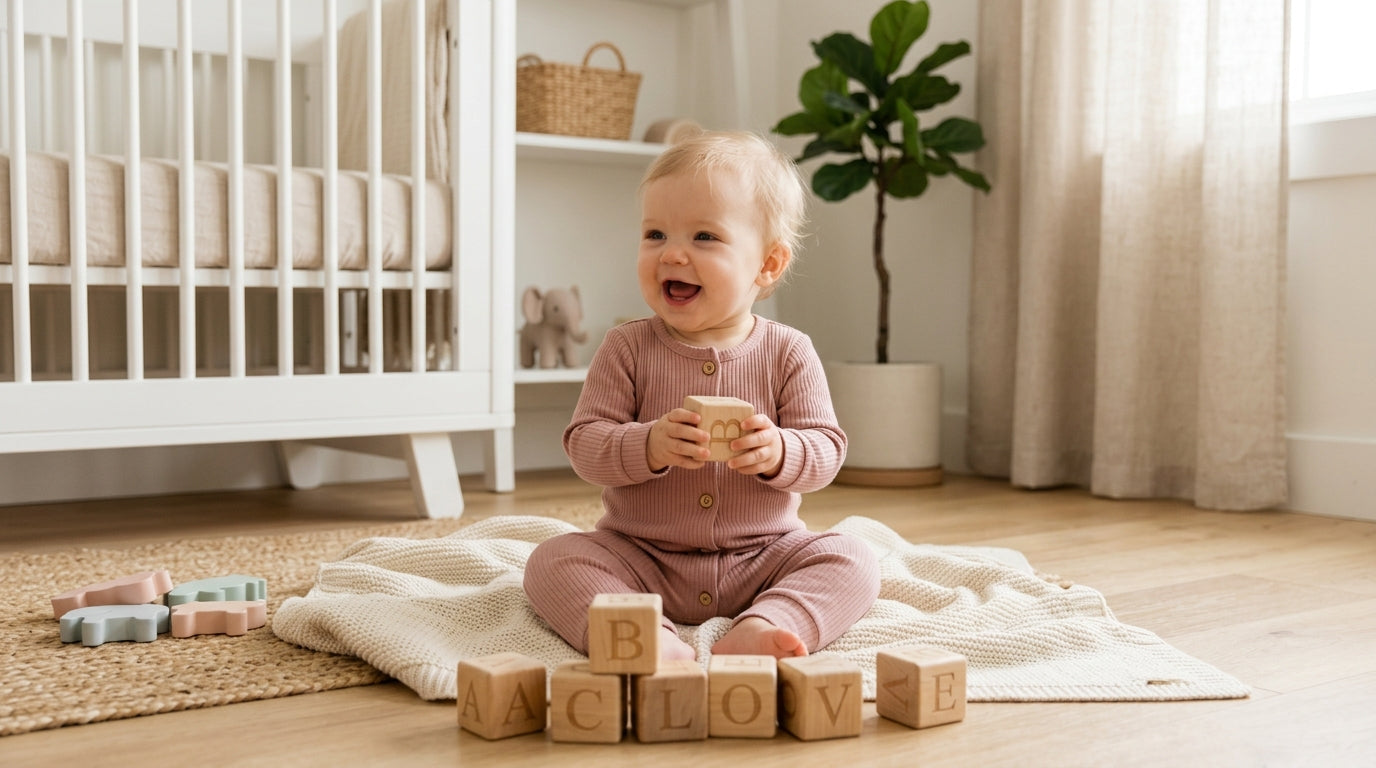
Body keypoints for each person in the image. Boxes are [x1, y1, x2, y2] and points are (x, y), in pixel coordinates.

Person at [523, 130, 880, 661]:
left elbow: (826, 448)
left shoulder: (789, 351)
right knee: (552, 559)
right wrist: (649, 445)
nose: (672, 254)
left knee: (854, 557)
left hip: (763, 556)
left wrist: (781, 452)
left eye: (705, 237)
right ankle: (642, 635)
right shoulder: (627, 347)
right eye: (655, 234)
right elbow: (585, 444)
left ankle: (767, 624)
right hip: (640, 555)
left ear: (768, 265)